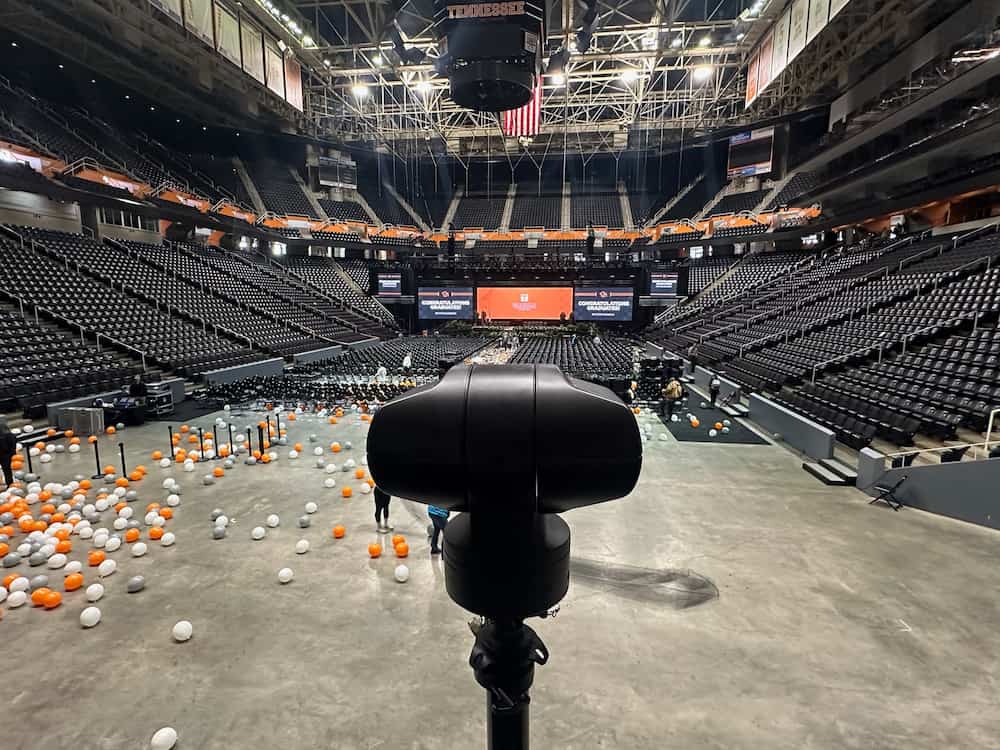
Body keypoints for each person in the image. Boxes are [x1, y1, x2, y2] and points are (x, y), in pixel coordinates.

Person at [0, 420, 17, 488]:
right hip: (6, 454)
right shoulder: (9, 435)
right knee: (7, 471)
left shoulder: (8, 435)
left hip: (5, 455)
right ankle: (10, 484)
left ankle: (10, 484)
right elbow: (13, 444)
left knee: (7, 471)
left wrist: (12, 454)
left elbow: (12, 445)